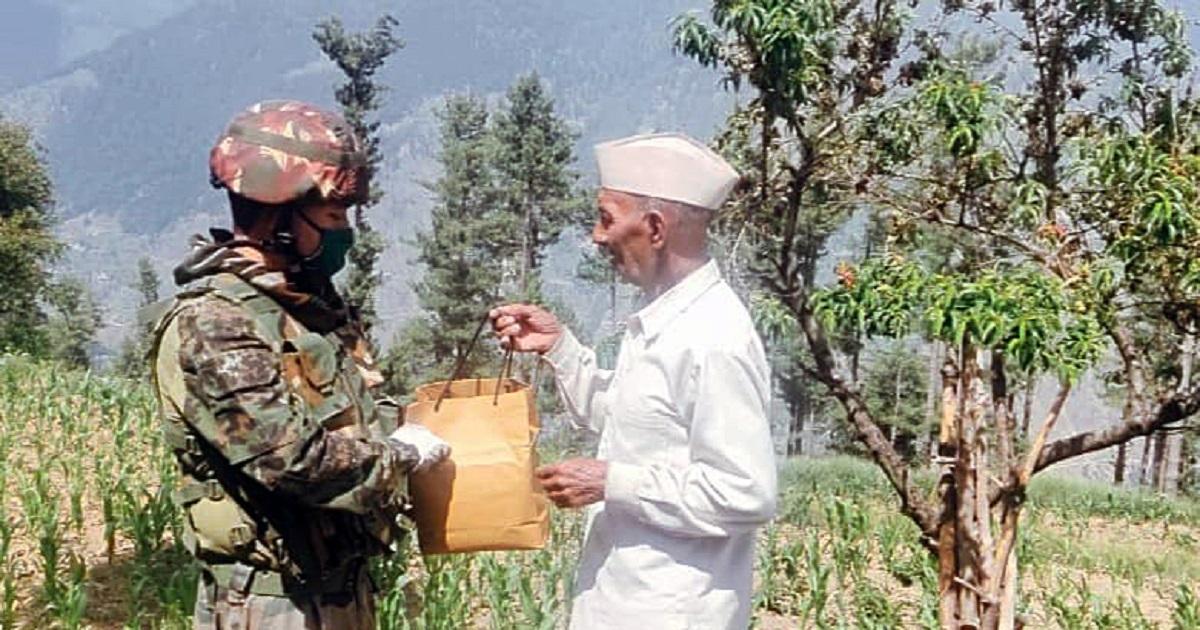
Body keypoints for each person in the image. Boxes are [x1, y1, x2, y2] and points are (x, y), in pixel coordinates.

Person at [147, 100, 449, 629]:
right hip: (274, 606)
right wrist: (402, 456)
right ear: (278, 217)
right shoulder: (217, 325)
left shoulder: (307, 310)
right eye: (333, 216)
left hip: (337, 592)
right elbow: (292, 462)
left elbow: (360, 415)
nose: (345, 231)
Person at [490, 132, 778, 629]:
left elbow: (745, 492)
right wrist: (560, 349)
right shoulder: (663, 318)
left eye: (606, 218)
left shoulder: (713, 336)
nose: (597, 236)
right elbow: (631, 422)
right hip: (621, 600)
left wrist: (610, 481)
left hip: (673, 611)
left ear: (655, 228)